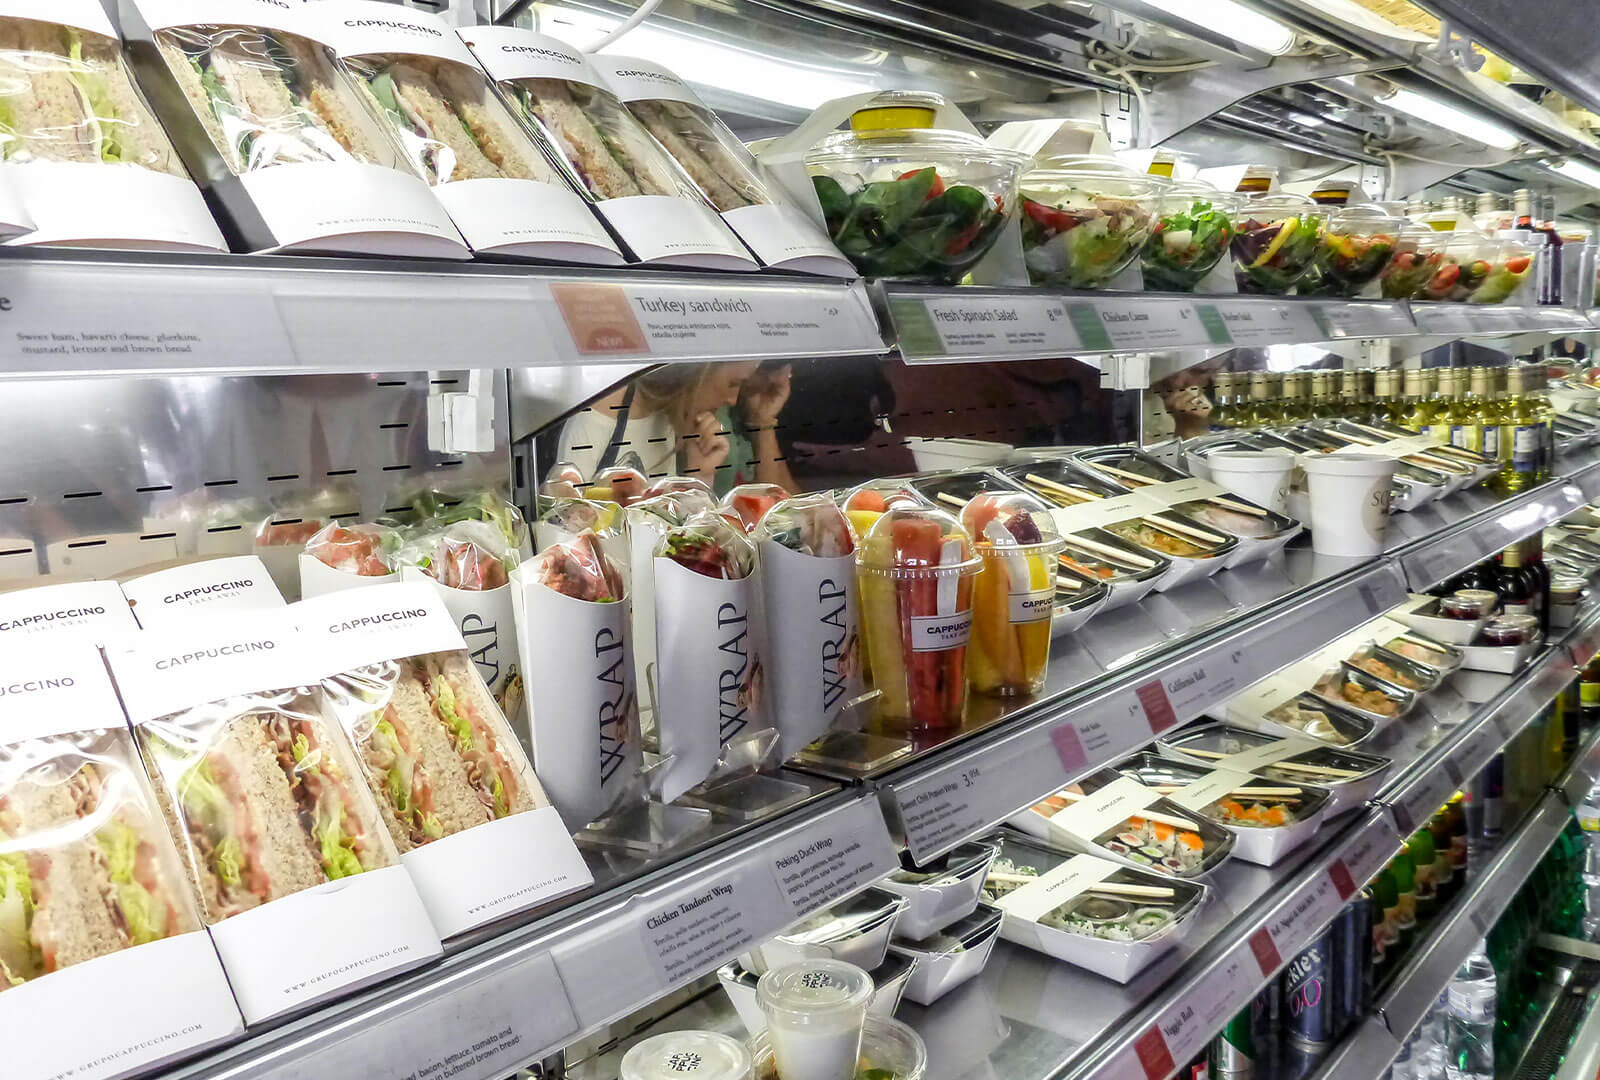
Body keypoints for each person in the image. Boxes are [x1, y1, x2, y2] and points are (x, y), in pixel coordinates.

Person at [554, 360, 797, 495]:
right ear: (697, 373)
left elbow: (676, 533)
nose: (733, 400)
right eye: (733, 384)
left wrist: (700, 475)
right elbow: (571, 535)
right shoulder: (595, 419)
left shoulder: (670, 420)